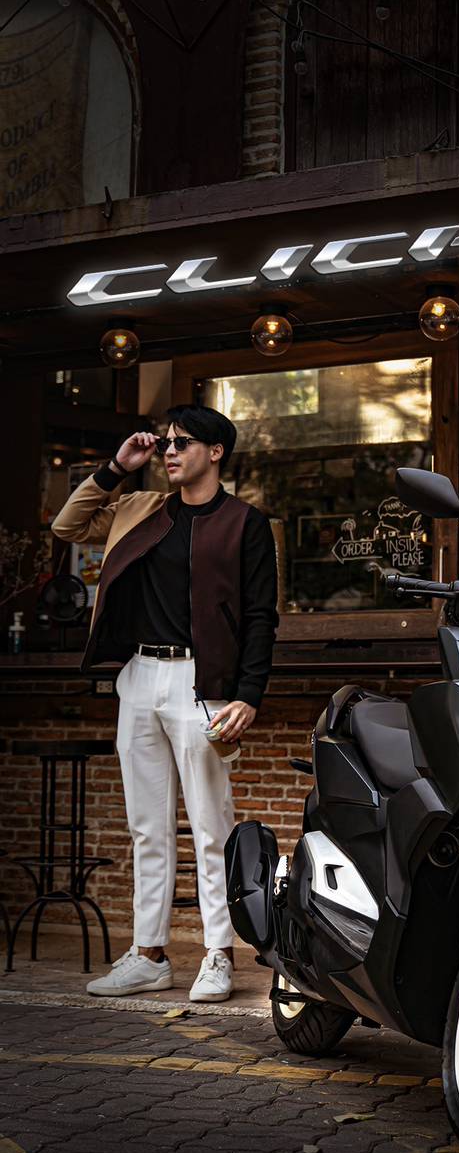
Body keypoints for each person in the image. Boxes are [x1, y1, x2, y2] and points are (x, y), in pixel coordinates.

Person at [51, 406, 278, 1001]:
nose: (170, 452)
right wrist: (116, 467)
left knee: (211, 825)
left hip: (202, 684)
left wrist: (248, 695)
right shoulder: (140, 508)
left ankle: (218, 953)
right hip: (139, 676)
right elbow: (67, 526)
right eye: (166, 444)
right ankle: (149, 954)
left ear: (216, 451)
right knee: (147, 827)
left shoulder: (246, 523)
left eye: (183, 442)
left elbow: (261, 616)